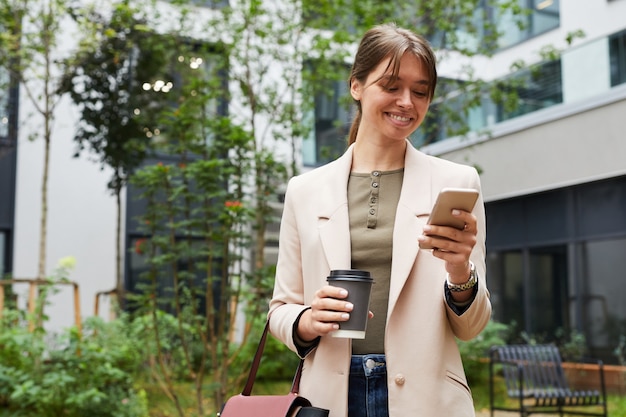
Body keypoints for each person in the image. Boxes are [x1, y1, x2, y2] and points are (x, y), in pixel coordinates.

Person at [268, 22, 491, 417]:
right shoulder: (306, 191)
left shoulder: (456, 182)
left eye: (420, 92)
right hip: (330, 398)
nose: (407, 102)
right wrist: (307, 320)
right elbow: (281, 308)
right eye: (391, 86)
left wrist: (460, 270)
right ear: (356, 86)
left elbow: (471, 327)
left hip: (427, 399)